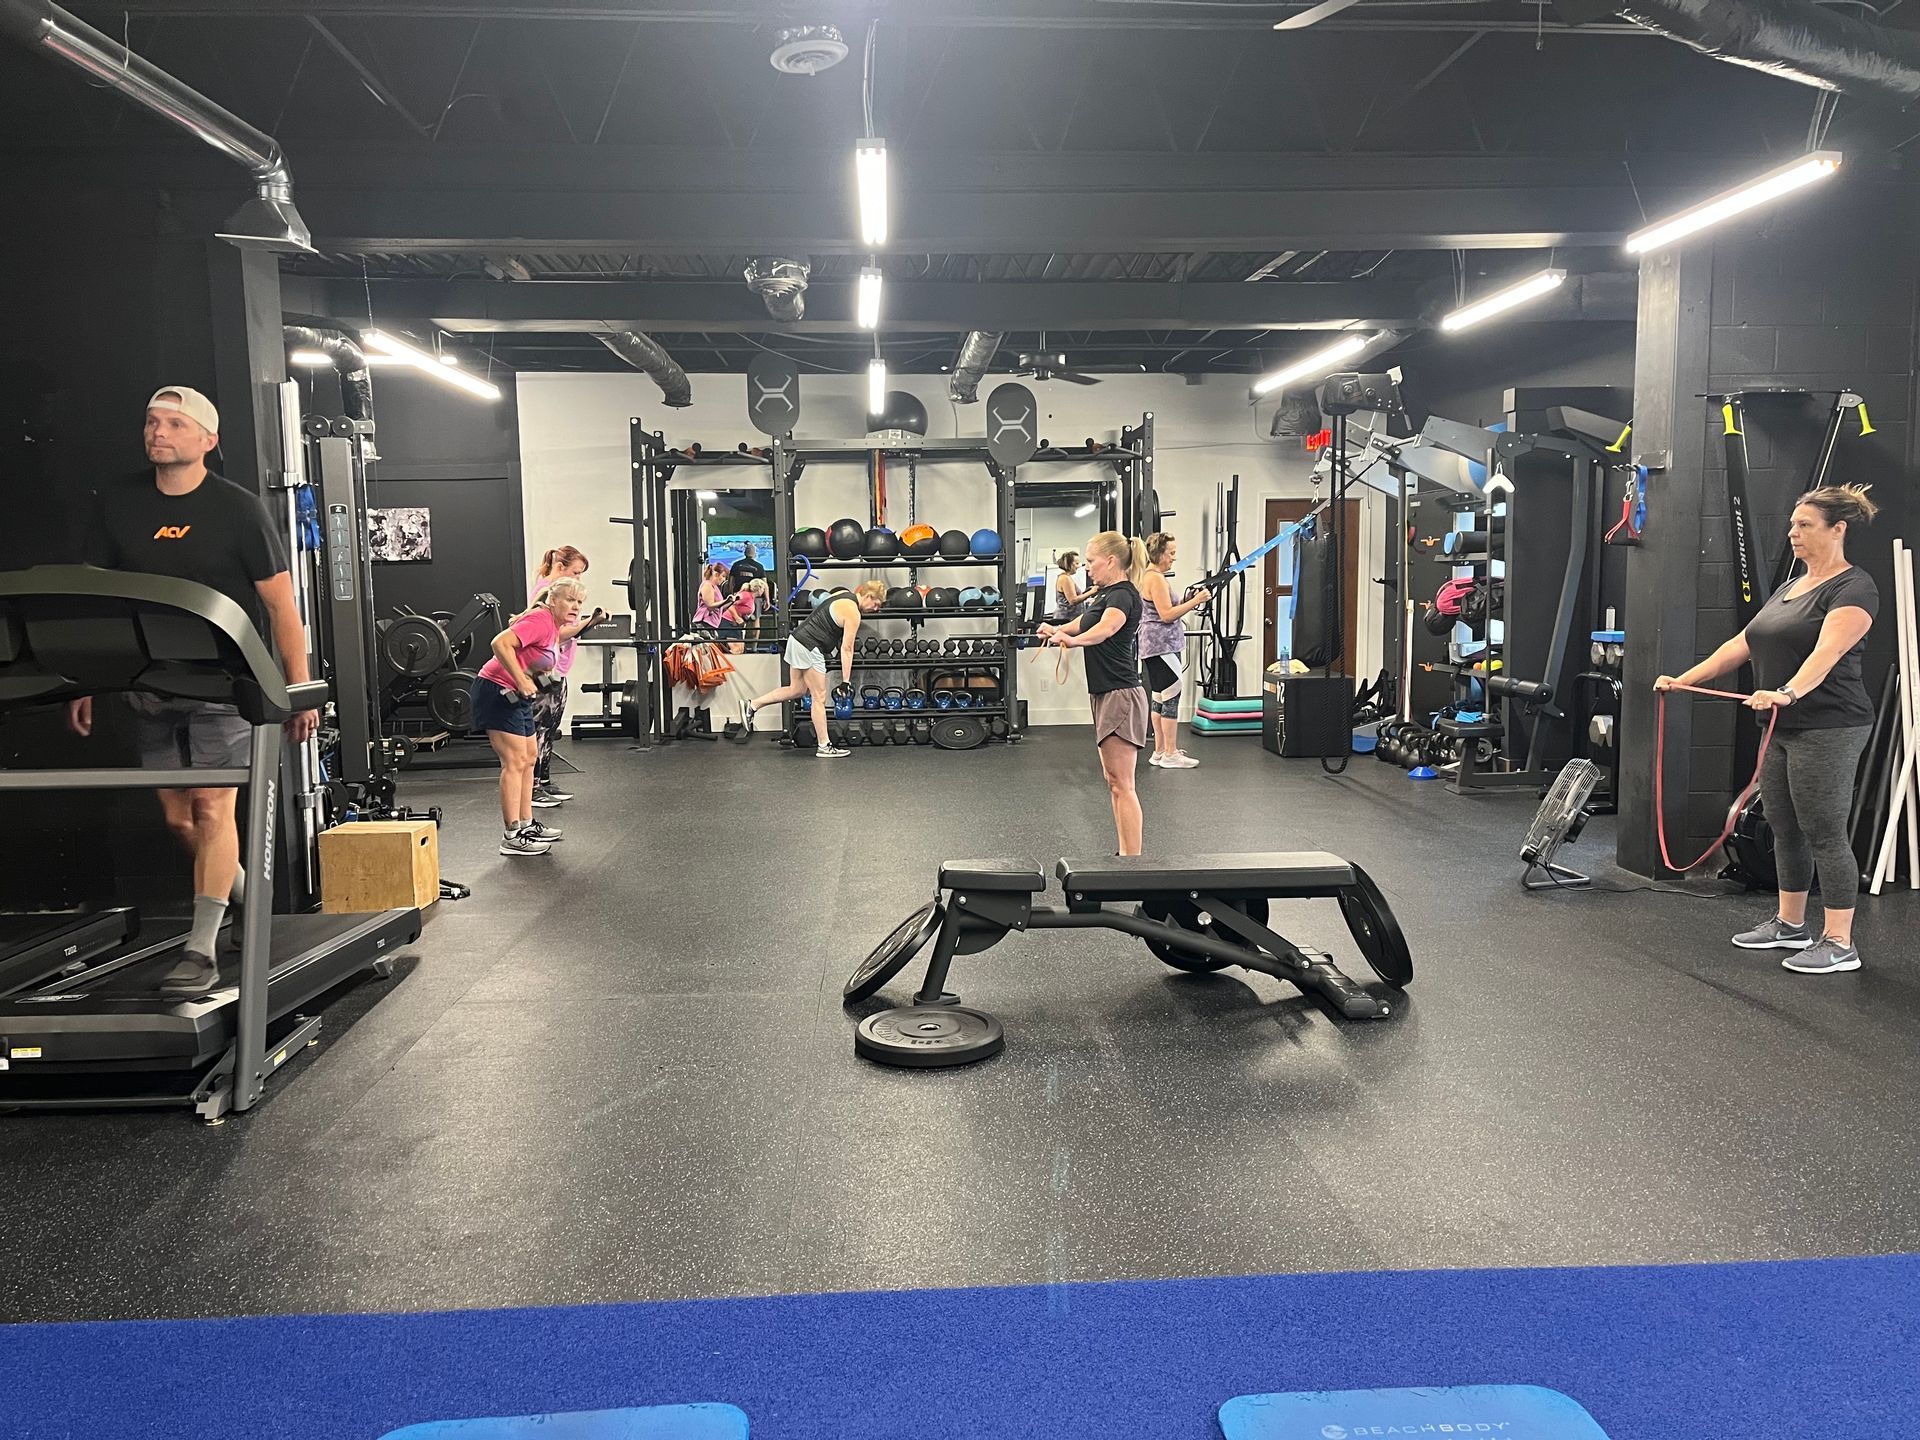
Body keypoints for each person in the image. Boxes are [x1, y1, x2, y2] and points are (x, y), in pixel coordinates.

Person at [66, 387, 318, 997]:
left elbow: (281, 605)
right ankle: (246, 902)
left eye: (175, 424)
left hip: (225, 686)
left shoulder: (238, 509)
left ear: (208, 440)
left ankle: (200, 949)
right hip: (148, 684)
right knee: (180, 820)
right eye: (152, 421)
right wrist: (83, 676)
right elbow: (94, 598)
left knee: (212, 808)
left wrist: (299, 687)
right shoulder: (118, 504)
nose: (158, 432)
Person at [1656, 484, 1880, 974]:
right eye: (1793, 524)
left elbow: (1828, 653)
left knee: (1823, 829)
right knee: (1784, 825)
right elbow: (1744, 643)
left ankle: (1840, 942)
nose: (1793, 533)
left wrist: (1789, 692)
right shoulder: (1790, 587)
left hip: (1830, 725)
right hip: (1781, 724)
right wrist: (1684, 680)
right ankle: (1790, 923)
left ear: (1837, 529)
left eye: (1805, 525)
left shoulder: (1854, 588)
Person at [1038, 531, 1150, 856]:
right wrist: (1057, 631)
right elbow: (1085, 621)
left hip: (1120, 693)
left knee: (1123, 784)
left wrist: (1073, 641)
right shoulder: (1104, 593)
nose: (1087, 568)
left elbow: (1107, 628)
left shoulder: (1124, 596)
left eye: (1090, 561)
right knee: (1113, 780)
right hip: (1104, 692)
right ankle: (1125, 855)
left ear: (1110, 560)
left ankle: (1133, 863)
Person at [473, 578, 587, 857]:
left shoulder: (553, 627)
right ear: (552, 600)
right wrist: (520, 679)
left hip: (518, 694)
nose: (575, 607)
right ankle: (511, 836)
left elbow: (536, 658)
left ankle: (525, 825)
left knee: (529, 758)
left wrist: (531, 679)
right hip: (497, 691)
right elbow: (500, 643)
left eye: (579, 602)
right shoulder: (540, 619)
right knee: (514, 762)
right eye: (570, 600)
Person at [740, 579, 887, 758]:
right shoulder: (853, 612)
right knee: (819, 697)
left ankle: (753, 704)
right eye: (876, 604)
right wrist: (846, 681)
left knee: (797, 690)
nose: (876, 609)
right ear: (869, 596)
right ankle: (824, 746)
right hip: (810, 645)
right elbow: (847, 649)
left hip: (797, 639)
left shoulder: (842, 594)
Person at [526, 545, 598, 810]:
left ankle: (543, 781)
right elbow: (552, 634)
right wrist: (586, 625)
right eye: (575, 573)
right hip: (543, 670)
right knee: (539, 730)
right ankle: (532, 788)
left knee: (550, 728)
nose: (578, 579)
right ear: (559, 568)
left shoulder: (562, 596)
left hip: (558, 667)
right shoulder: (545, 594)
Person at [1137, 532, 1213, 770]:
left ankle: (1160, 751)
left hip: (1155, 645)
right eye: (1171, 553)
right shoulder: (1156, 579)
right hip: (1162, 645)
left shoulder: (1152, 577)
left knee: (1160, 696)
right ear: (1159, 554)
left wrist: (1185, 599)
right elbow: (1167, 615)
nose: (1173, 558)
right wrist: (1197, 600)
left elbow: (1166, 607)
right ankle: (1170, 752)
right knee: (1171, 695)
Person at [693, 561, 732, 634]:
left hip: (711, 623)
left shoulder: (715, 587)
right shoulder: (708, 585)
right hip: (705, 622)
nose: (724, 580)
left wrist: (731, 602)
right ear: (717, 574)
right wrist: (725, 600)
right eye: (723, 576)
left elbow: (719, 607)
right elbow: (710, 605)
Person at [1050, 551, 1085, 621]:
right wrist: (1092, 592)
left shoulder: (1066, 577)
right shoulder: (1065, 578)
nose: (1078, 566)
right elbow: (1073, 600)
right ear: (1069, 564)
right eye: (1076, 563)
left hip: (1070, 618)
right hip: (1065, 619)